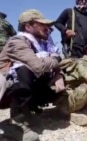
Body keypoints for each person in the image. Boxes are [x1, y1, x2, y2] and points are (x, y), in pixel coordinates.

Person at [0, 9, 62, 141]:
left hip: (23, 84)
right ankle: (15, 124)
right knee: (25, 69)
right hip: (5, 87)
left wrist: (58, 74)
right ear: (28, 27)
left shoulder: (40, 43)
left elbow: (54, 61)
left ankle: (28, 112)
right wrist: (56, 59)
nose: (47, 28)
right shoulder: (17, 42)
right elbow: (38, 66)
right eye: (42, 24)